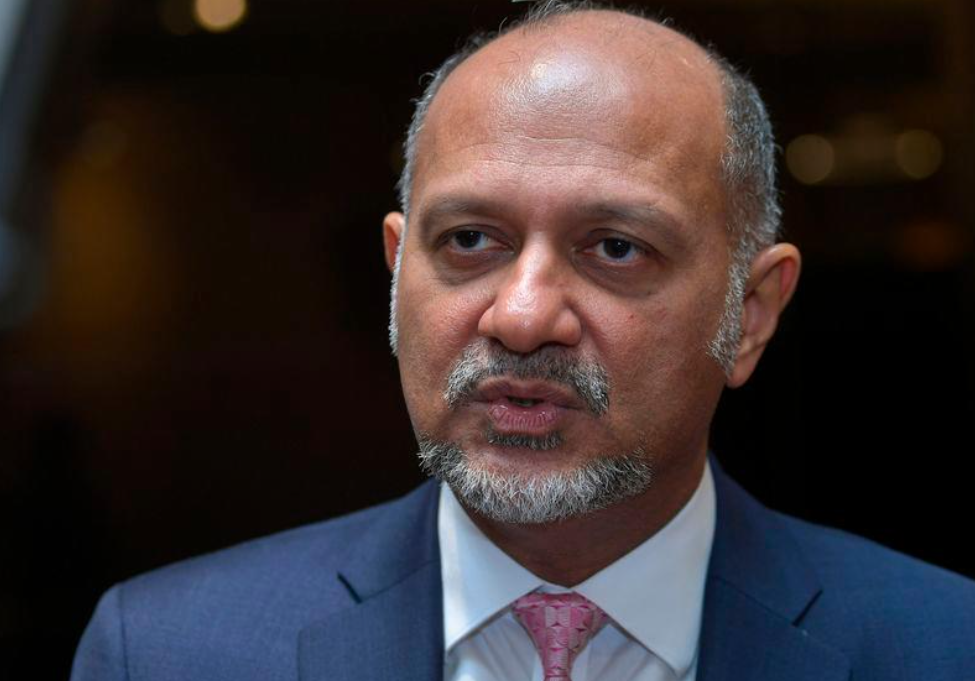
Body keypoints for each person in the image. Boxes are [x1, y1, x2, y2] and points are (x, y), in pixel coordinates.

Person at [71, 2, 975, 680]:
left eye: (614, 248)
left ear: (751, 313)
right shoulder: (167, 652)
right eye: (469, 239)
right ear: (396, 273)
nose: (522, 315)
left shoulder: (944, 647)